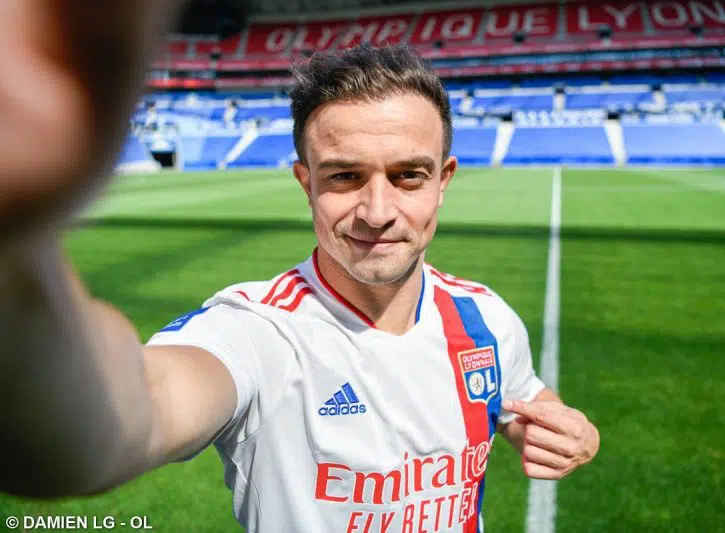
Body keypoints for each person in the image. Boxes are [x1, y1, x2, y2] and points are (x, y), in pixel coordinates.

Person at [0, 3, 599, 532]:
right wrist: (14, 253)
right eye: (345, 176)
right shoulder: (258, 333)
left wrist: (566, 430)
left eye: (407, 176)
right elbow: (135, 414)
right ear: (305, 182)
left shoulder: (486, 317)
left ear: (443, 181)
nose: (377, 211)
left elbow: (525, 399)